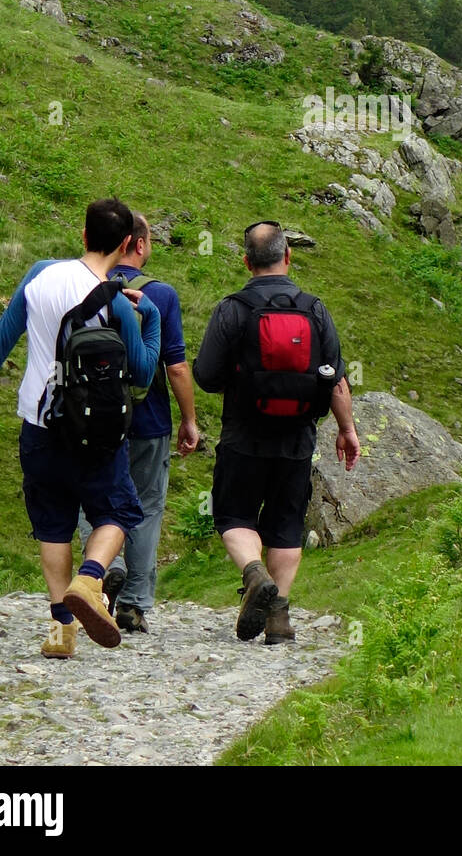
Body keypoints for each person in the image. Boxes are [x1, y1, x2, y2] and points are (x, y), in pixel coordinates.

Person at [0, 198, 160, 659]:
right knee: (117, 513)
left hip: (40, 426)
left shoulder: (39, 275)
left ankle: (61, 631)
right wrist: (154, 321)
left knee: (53, 526)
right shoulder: (115, 300)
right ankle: (89, 578)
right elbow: (142, 374)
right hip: (97, 433)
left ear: (83, 235)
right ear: (127, 244)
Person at [192, 221, 360, 645]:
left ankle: (253, 574)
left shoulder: (232, 308)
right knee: (286, 525)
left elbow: (207, 377)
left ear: (247, 262)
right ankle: (279, 617)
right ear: (289, 256)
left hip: (243, 436)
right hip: (297, 439)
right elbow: (336, 379)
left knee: (234, 515)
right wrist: (347, 429)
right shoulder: (314, 308)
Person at [78, 212, 200, 634]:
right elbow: (178, 368)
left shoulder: (84, 286)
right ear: (140, 244)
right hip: (148, 421)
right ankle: (132, 603)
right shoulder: (161, 295)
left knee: (92, 501)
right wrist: (190, 420)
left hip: (91, 420)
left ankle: (99, 573)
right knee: (146, 508)